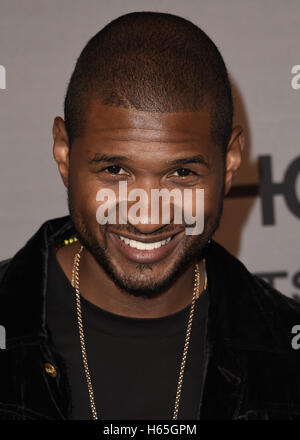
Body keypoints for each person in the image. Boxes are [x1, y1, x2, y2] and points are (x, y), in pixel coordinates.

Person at [1, 11, 300, 421]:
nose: (146, 220)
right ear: (64, 154)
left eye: (181, 173)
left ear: (229, 162)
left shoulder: (286, 352)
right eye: (115, 171)